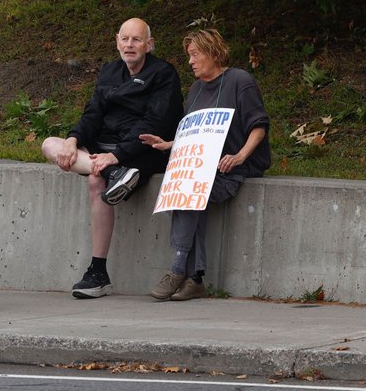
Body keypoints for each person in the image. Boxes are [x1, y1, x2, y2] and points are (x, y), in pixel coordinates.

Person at [40, 18, 183, 299]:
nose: (130, 45)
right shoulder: (109, 72)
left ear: (149, 45)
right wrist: (73, 140)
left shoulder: (164, 74)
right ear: (117, 40)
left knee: (95, 182)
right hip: (104, 151)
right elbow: (92, 114)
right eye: (125, 39)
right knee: (49, 144)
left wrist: (117, 155)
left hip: (141, 152)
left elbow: (155, 123)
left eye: (137, 40)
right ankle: (111, 174)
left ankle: (98, 271)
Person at [141, 28, 271, 301]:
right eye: (189, 55)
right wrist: (169, 144)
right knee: (184, 191)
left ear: (213, 52)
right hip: (203, 168)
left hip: (232, 169)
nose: (190, 61)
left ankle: (178, 268)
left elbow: (258, 126)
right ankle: (195, 279)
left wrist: (240, 156)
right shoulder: (197, 90)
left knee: (188, 193)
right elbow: (195, 135)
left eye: (195, 54)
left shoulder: (239, 80)